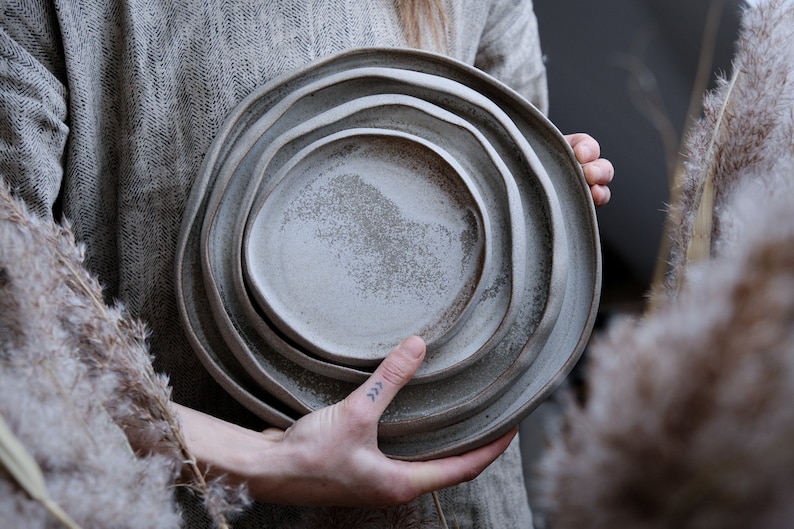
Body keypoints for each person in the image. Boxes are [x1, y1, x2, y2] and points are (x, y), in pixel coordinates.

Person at [0, 0, 613, 526]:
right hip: (198, 506)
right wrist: (269, 463)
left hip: (456, 499)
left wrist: (554, 190)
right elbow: (15, 342)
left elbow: (517, 214)